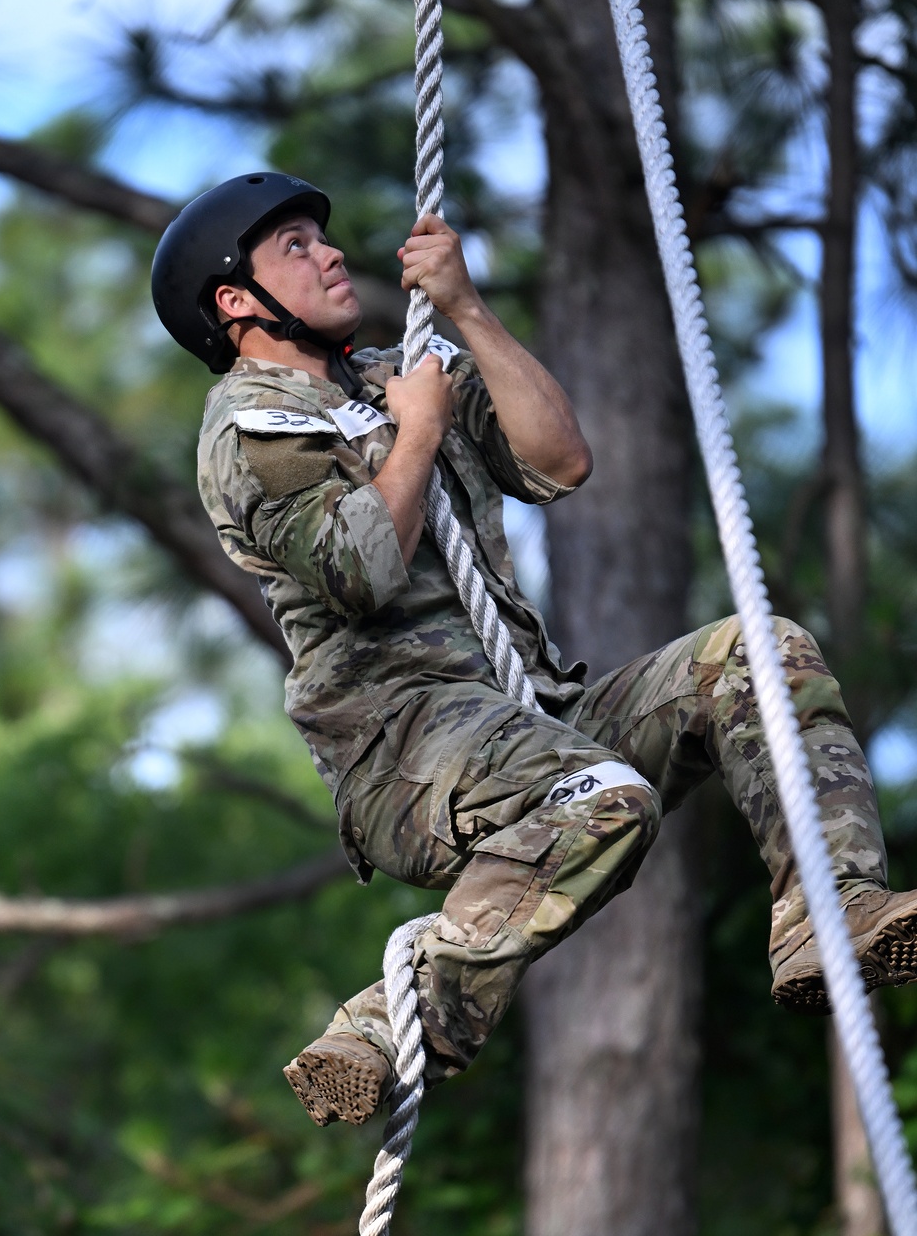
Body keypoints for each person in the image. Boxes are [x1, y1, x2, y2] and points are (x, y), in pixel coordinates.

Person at [152, 171, 917, 1129]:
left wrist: (466, 310)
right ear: (236, 302)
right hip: (408, 750)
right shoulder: (251, 425)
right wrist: (419, 429)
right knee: (603, 800)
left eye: (322, 235)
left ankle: (827, 914)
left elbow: (559, 461)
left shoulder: (402, 372)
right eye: (294, 246)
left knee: (757, 654)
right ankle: (398, 1014)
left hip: (531, 717)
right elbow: (359, 571)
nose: (332, 252)